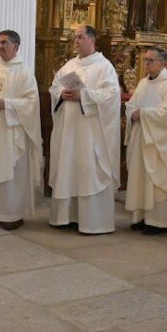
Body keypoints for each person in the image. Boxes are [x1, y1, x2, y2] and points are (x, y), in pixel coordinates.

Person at [48, 24, 121, 234]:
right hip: (69, 129)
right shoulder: (69, 65)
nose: (76, 41)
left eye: (80, 37)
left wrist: (84, 96)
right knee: (68, 167)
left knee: (88, 169)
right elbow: (54, 87)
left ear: (92, 40)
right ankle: (66, 217)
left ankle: (92, 221)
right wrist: (61, 93)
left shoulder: (104, 66)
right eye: (75, 38)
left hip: (91, 133)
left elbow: (111, 95)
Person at [0, 30, 43, 230]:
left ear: (16, 46)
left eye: (4, 42)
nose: (0, 47)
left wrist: (8, 104)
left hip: (11, 133)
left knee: (10, 171)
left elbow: (31, 102)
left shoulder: (24, 72)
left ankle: (11, 215)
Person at [125, 46, 167, 234]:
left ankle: (159, 221)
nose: (146, 64)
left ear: (162, 63)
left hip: (161, 144)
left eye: (150, 60)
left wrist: (142, 114)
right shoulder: (144, 83)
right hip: (143, 139)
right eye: (145, 60)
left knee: (157, 180)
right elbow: (131, 105)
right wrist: (133, 113)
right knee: (142, 179)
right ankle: (143, 217)